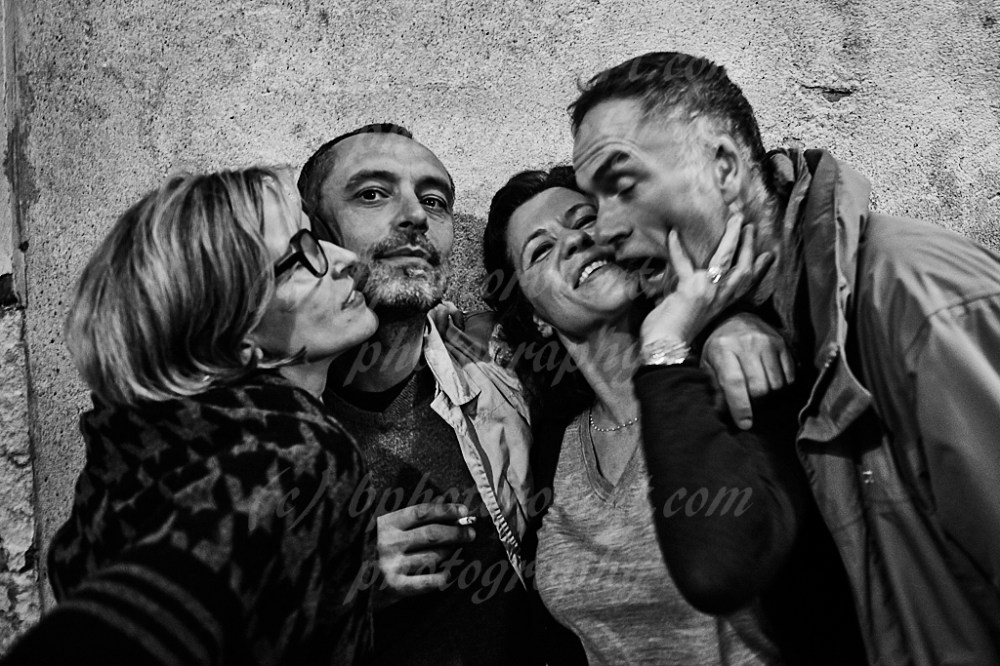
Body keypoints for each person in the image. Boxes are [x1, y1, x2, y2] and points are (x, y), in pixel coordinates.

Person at [571, 51, 1000, 665]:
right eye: (594, 202)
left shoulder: (913, 293)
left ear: (723, 167)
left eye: (623, 184)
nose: (603, 231)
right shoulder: (727, 325)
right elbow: (717, 566)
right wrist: (684, 338)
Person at [484, 165, 866, 665]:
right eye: (540, 250)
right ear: (534, 315)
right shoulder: (555, 442)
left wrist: (721, 320)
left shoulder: (727, 378)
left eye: (585, 220)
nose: (574, 241)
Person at [1, 167, 377, 665]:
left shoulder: (133, 455)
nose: (345, 259)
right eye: (301, 254)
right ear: (234, 331)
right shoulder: (293, 453)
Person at [297, 123, 547, 665]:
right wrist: (328, 587)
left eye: (434, 201)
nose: (415, 215)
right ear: (311, 233)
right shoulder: (241, 428)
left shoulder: (504, 371)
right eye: (372, 194)